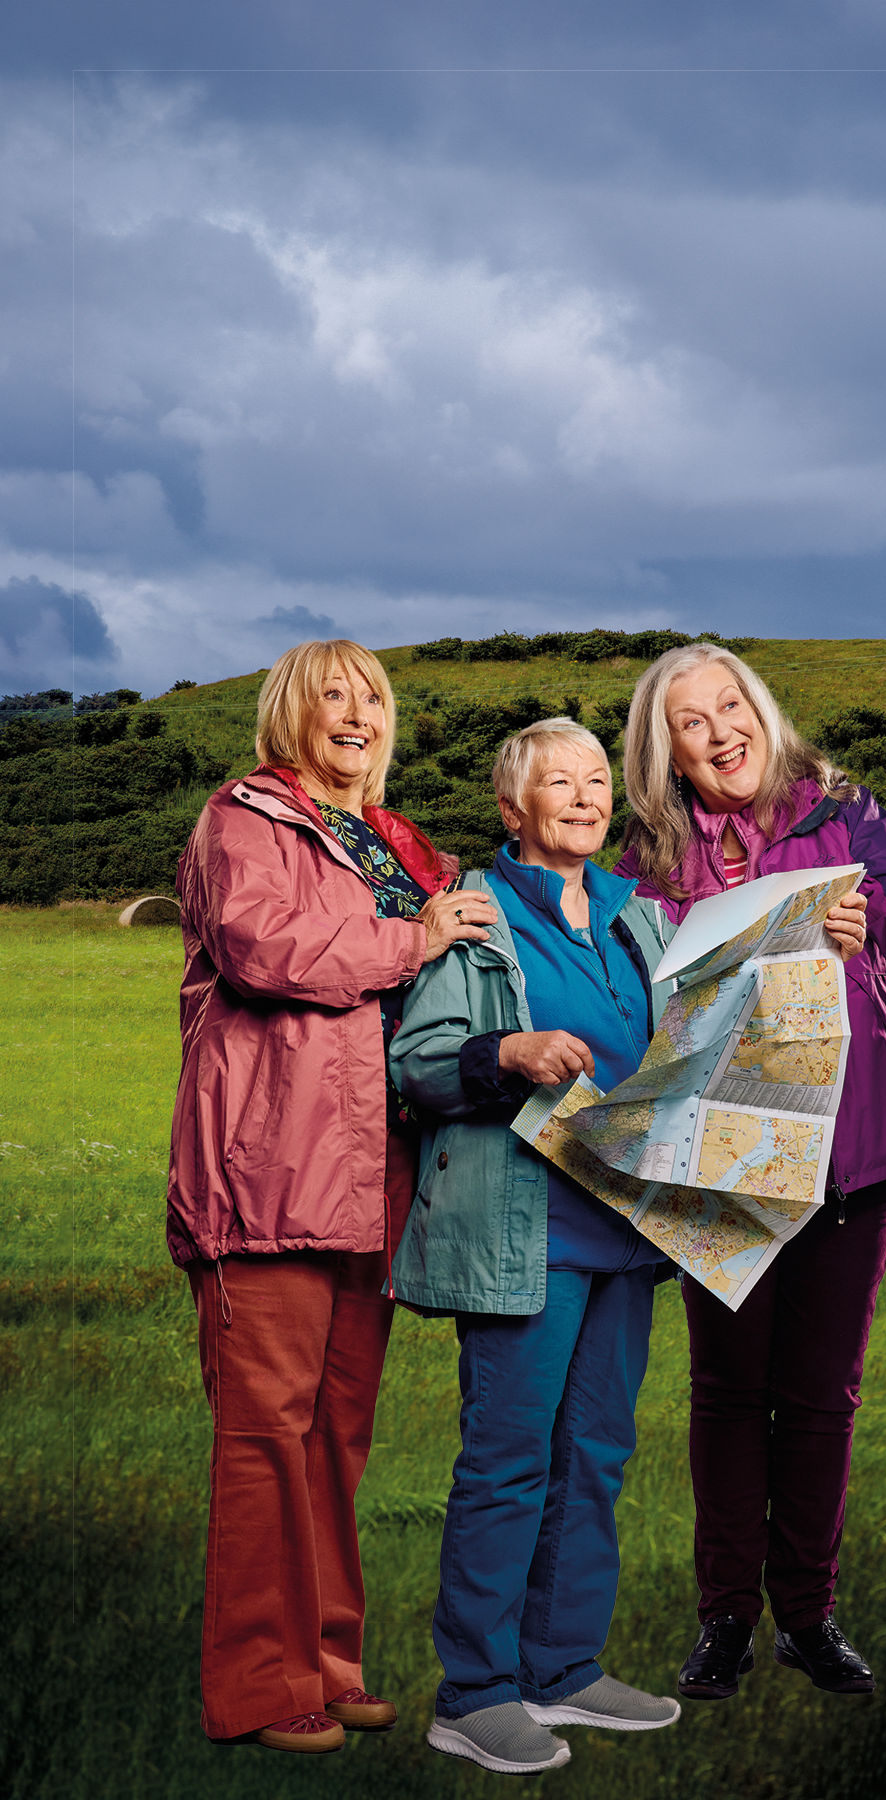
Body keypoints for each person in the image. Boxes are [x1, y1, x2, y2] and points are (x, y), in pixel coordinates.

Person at [614, 643, 886, 1702]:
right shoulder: (650, 855)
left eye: (729, 706)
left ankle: (807, 1616)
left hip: (852, 1136)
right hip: (724, 1152)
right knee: (726, 1390)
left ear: (760, 709)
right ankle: (725, 1620)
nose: (720, 732)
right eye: (690, 723)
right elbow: (643, 989)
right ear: (664, 752)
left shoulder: (843, 815)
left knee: (819, 1396)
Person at [167, 639, 498, 1753]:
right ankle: (259, 1687)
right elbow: (269, 950)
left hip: (378, 1175)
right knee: (266, 1432)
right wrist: (415, 937)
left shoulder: (405, 845)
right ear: (289, 715)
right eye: (332, 697)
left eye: (373, 698)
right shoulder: (245, 821)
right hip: (268, 1169)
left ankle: (327, 1657)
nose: (355, 714)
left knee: (335, 1435)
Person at [389, 718, 682, 1777]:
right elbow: (416, 1062)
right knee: (509, 1461)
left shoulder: (637, 917)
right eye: (556, 781)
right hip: (528, 1230)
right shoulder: (478, 915)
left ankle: (563, 1668)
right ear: (512, 809)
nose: (583, 794)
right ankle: (474, 1694)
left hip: (630, 1229)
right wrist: (504, 1051)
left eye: (596, 778)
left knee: (596, 1456)